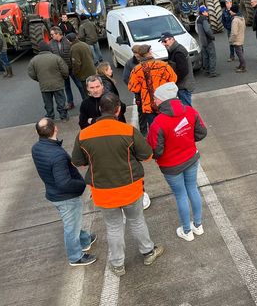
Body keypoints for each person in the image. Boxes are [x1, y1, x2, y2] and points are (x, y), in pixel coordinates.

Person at [72, 93, 164, 277]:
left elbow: (78, 162)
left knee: (113, 227)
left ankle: (118, 264)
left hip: (103, 192)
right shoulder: (128, 131)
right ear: (118, 110)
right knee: (137, 221)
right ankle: (148, 251)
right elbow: (147, 155)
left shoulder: (84, 135)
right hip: (130, 188)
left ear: (100, 109)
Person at [31, 117, 97, 266]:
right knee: (71, 227)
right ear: (55, 129)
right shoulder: (57, 155)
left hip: (53, 193)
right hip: (66, 197)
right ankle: (76, 256)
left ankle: (85, 239)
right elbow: (64, 182)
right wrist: (81, 185)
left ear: (38, 132)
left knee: (73, 221)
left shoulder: (36, 148)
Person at [147, 82, 208, 241]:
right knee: (193, 189)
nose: (154, 101)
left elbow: (155, 150)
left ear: (161, 100)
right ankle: (198, 225)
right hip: (191, 159)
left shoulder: (158, 123)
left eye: (155, 98)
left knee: (180, 195)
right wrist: (187, 140)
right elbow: (201, 133)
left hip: (171, 166)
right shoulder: (190, 111)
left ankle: (187, 231)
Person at [128, 44, 178, 133]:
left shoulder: (137, 70)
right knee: (169, 128)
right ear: (150, 52)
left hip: (149, 105)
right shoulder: (163, 65)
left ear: (139, 55)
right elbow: (173, 80)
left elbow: (133, 88)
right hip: (164, 102)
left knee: (155, 130)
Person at [27, 41, 69, 122]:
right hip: (58, 84)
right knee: (61, 101)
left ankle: (50, 116)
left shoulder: (34, 60)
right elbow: (65, 70)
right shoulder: (56, 58)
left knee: (48, 103)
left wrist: (39, 79)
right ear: (48, 48)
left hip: (44, 85)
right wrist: (63, 78)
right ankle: (63, 116)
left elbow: (31, 73)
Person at [50, 27, 83, 110]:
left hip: (71, 68)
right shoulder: (51, 43)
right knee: (67, 87)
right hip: (61, 70)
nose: (51, 36)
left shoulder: (67, 41)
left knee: (80, 85)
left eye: (52, 34)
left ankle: (85, 100)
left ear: (58, 34)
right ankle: (70, 103)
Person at [160, 32, 196, 105]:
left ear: (172, 39)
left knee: (187, 109)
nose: (164, 44)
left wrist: (173, 80)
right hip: (182, 85)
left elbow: (183, 71)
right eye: (162, 42)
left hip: (183, 87)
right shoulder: (173, 49)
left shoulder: (178, 52)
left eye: (165, 41)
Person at [196, 5, 219, 77]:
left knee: (205, 56)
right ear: (203, 12)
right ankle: (213, 72)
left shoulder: (198, 19)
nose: (208, 12)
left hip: (202, 41)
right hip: (208, 40)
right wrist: (212, 36)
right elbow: (207, 30)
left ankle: (207, 70)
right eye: (206, 11)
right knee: (212, 56)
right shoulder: (204, 19)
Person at [229, 4, 246, 72]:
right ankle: (241, 65)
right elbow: (244, 28)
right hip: (241, 38)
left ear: (233, 11)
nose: (230, 11)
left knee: (239, 54)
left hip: (237, 40)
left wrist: (231, 40)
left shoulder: (235, 20)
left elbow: (234, 33)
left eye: (231, 10)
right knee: (240, 52)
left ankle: (243, 67)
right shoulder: (242, 18)